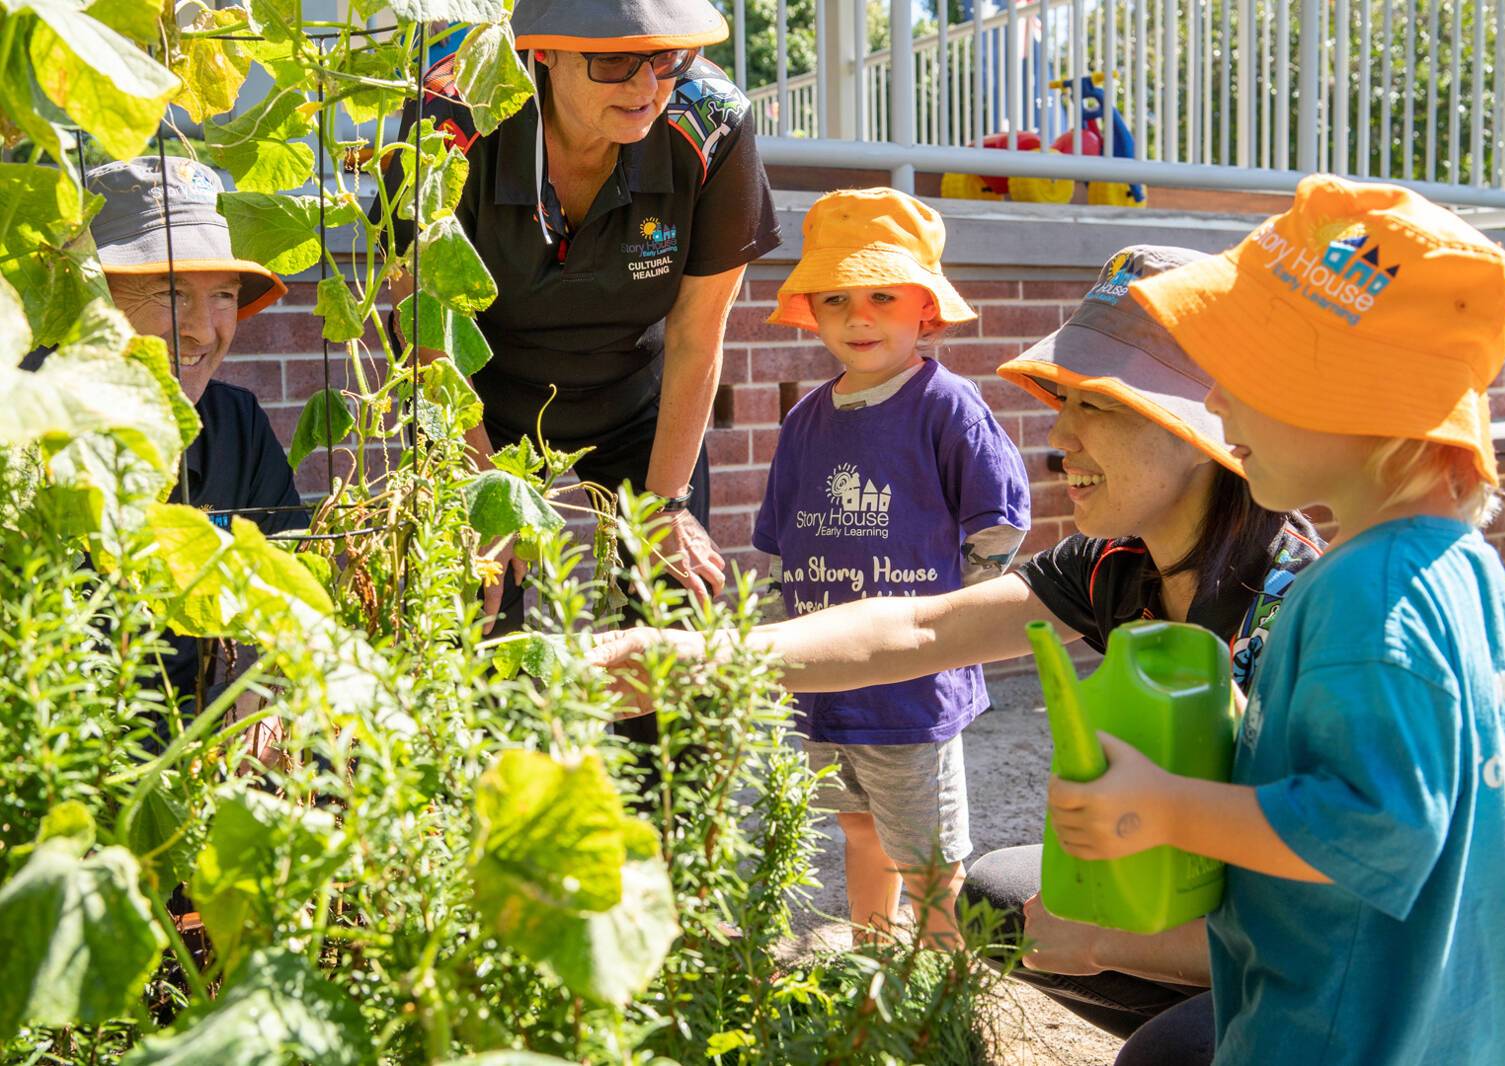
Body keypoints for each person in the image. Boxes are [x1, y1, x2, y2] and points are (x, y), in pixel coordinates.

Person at [591, 246, 1321, 993]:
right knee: (998, 898)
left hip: (1313, 965)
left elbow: (1333, 901)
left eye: (1094, 404)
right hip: (1205, 891)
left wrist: (1106, 943)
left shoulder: (1301, 606)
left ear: (1204, 425)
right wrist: (698, 656)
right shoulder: (1113, 562)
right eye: (1061, 402)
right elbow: (921, 630)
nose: (1059, 440)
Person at [1049, 174, 1505, 1064]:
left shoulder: (1361, 592)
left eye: (1244, 372)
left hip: (1351, 1035)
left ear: (1354, 397)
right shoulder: (1468, 576)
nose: (1213, 404)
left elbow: (1376, 827)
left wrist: (1165, 809)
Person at [385, 0, 780, 614]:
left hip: (637, 401)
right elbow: (423, 327)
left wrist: (667, 506)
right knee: (468, 614)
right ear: (541, 50)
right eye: (615, 59)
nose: (647, 86)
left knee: (669, 612)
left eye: (665, 58)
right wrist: (481, 482)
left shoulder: (714, 121)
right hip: (479, 398)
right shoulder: (450, 113)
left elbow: (698, 333)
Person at [752, 188, 1030, 946]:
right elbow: (780, 541)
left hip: (910, 683)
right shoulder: (806, 419)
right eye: (836, 298)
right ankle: (873, 956)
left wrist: (955, 628)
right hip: (827, 678)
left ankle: (942, 982)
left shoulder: (946, 406)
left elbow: (1000, 525)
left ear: (926, 309)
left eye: (881, 294)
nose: (858, 316)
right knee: (856, 824)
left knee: (928, 850)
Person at [24, 156, 302, 714]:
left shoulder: (237, 424)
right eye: (170, 294)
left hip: (190, 747)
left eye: (223, 295)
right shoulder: (22, 418)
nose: (202, 329)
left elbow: (294, 594)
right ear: (89, 295)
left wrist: (264, 702)